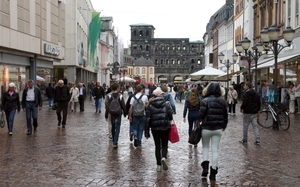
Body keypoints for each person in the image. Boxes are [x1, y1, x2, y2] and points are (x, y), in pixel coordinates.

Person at [198, 82, 228, 181]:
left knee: (205, 147)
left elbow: (201, 115)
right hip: (218, 128)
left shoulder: (205, 100)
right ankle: (213, 172)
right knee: (215, 149)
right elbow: (225, 116)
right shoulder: (222, 101)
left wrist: (200, 120)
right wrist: (223, 126)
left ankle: (205, 167)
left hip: (206, 127)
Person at [145, 87, 173, 172]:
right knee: (164, 144)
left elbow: (147, 120)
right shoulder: (166, 104)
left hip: (155, 128)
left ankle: (158, 165)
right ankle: (164, 157)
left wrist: (146, 132)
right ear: (160, 95)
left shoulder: (150, 105)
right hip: (165, 127)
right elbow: (170, 116)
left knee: (157, 146)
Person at [105, 83, 127, 148]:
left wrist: (106, 114)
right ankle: (115, 142)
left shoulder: (109, 96)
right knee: (117, 127)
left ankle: (114, 140)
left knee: (113, 126)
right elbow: (123, 105)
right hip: (118, 113)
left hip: (112, 113)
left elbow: (107, 106)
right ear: (117, 88)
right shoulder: (120, 96)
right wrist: (125, 113)